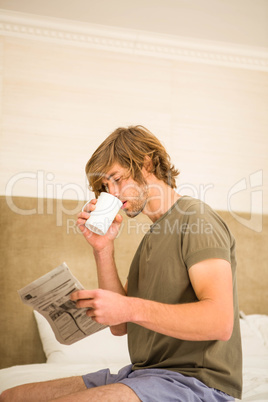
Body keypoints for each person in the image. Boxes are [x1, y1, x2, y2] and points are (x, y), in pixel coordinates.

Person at [1, 125, 242, 401]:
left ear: (147, 163)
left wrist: (129, 306)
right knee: (11, 396)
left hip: (195, 384)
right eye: (105, 187)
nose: (112, 194)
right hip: (142, 375)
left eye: (116, 179)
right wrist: (103, 249)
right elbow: (120, 326)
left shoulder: (196, 218)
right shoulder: (153, 237)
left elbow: (220, 322)